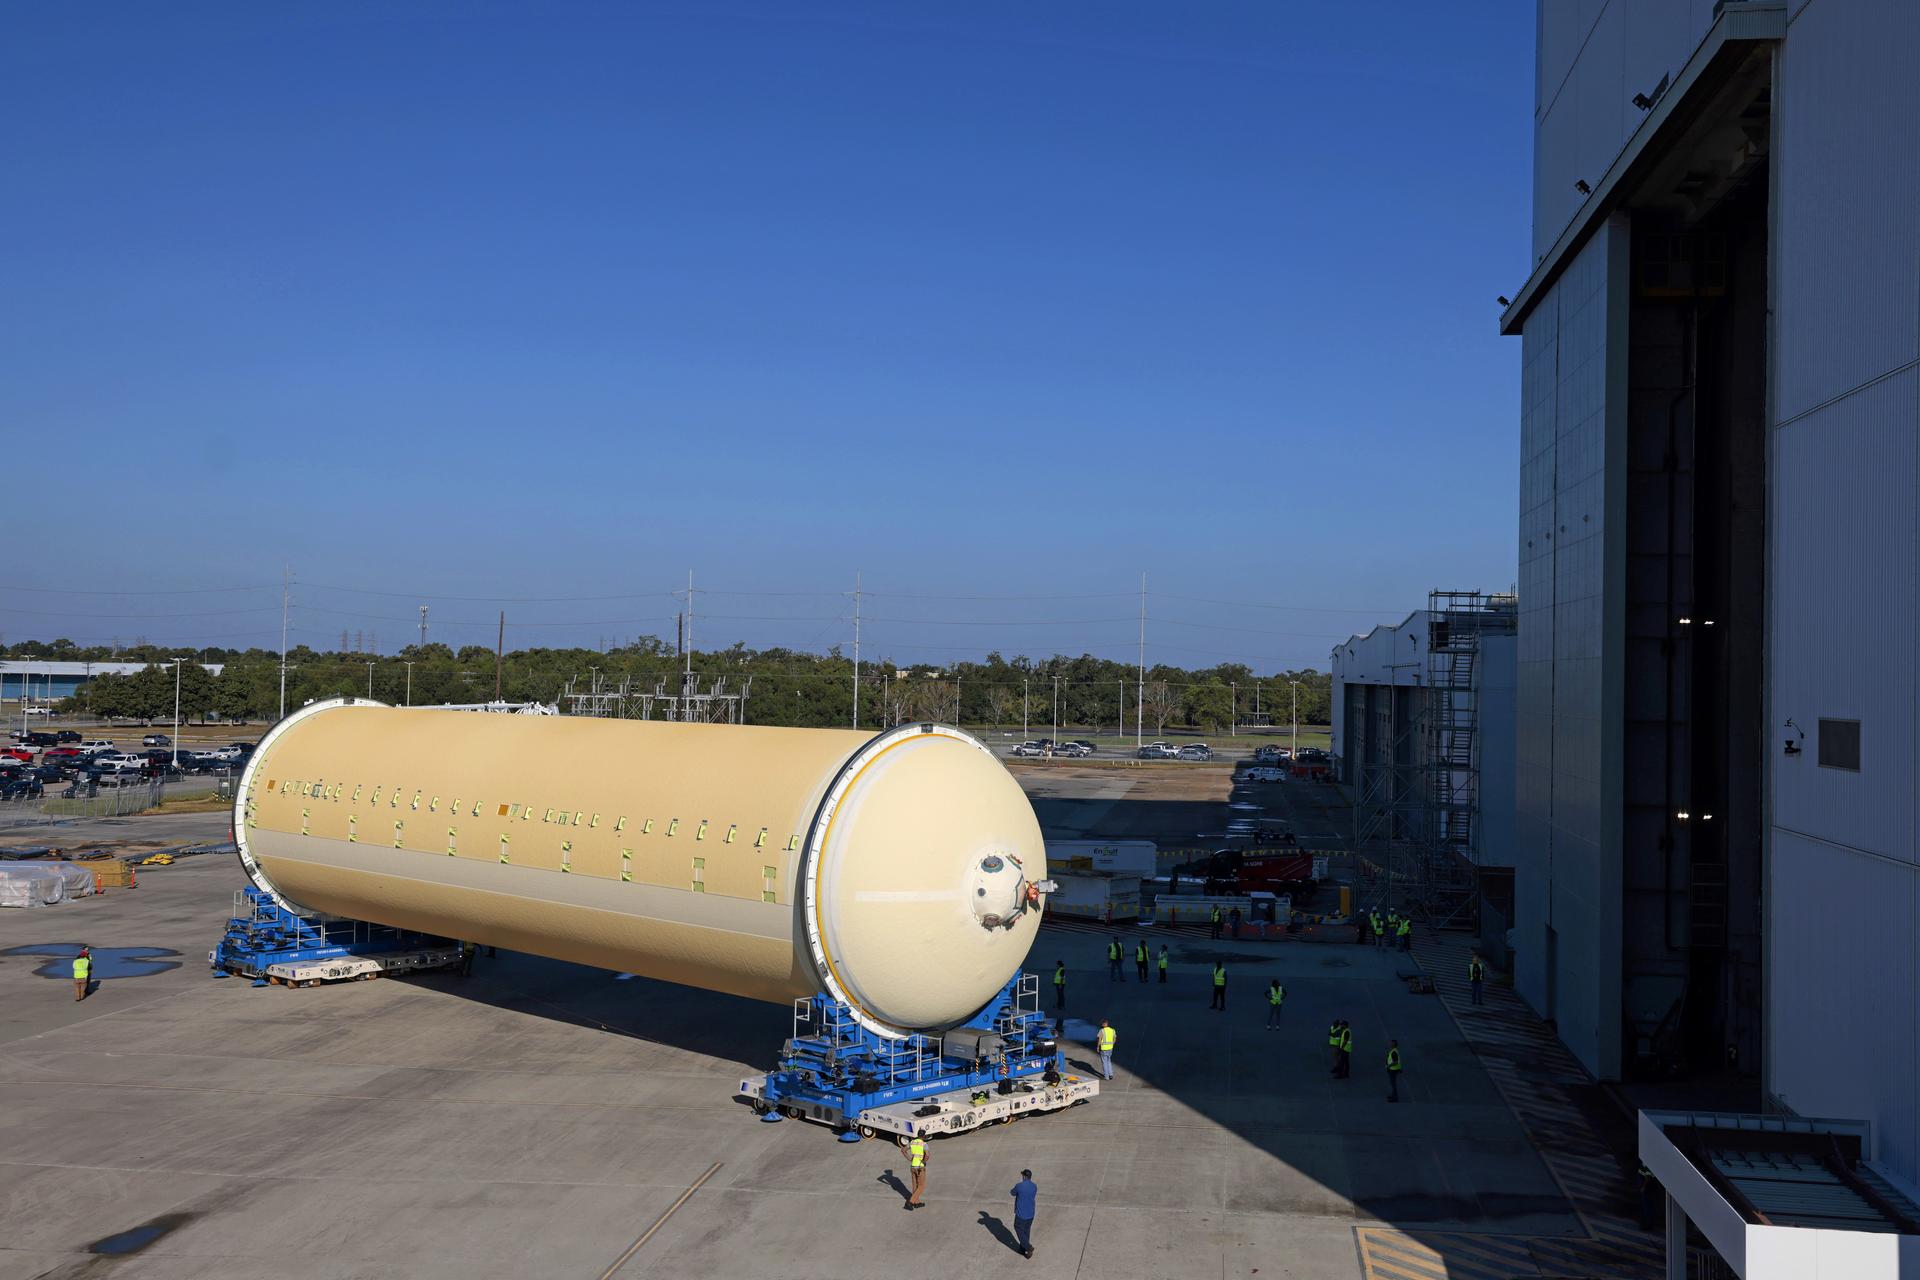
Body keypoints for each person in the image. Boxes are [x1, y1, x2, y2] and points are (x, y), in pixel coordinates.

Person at [1010, 1169, 1039, 1259]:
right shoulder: (1034, 1186)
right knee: (1026, 1230)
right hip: (1031, 1213)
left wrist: (1019, 1184)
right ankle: (1023, 1249)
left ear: (1024, 1176)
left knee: (1017, 1227)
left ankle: (1028, 1247)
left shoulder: (1019, 1186)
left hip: (1021, 1214)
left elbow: (1012, 1193)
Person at [900, 1134, 927, 1210]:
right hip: (920, 1167)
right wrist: (924, 1161)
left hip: (913, 1166)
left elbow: (903, 1150)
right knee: (921, 1186)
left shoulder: (912, 1142)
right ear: (923, 1136)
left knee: (915, 1185)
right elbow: (927, 1155)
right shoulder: (924, 1144)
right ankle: (910, 1202)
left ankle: (916, 1202)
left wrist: (909, 1158)